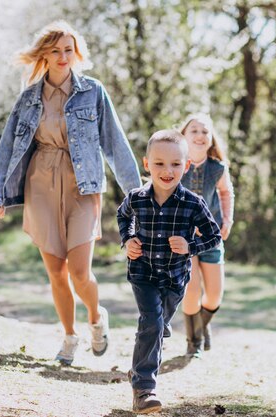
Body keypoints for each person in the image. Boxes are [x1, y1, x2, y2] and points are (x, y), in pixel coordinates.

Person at [0, 20, 141, 366]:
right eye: (55, 50)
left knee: (80, 271)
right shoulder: (28, 98)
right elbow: (8, 145)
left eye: (68, 50)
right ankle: (70, 336)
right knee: (56, 271)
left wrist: (137, 194)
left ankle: (96, 316)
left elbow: (116, 144)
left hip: (83, 184)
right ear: (44, 54)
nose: (62, 56)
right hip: (40, 182)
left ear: (77, 53)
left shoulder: (93, 92)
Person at [117, 129, 222, 414]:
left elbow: (214, 236)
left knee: (157, 327)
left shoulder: (192, 203)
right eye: (160, 163)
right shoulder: (136, 198)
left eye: (176, 164)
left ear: (186, 167)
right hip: (143, 273)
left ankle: (137, 372)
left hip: (176, 279)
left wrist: (190, 245)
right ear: (146, 164)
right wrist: (127, 240)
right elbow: (123, 216)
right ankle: (144, 389)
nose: (167, 170)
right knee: (151, 321)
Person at [179, 114, 234, 357]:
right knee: (191, 291)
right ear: (183, 136)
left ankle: (202, 325)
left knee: (213, 296)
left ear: (211, 140)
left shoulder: (217, 168)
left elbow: (226, 193)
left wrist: (227, 219)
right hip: (183, 238)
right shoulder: (176, 163)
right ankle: (194, 342)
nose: (200, 135)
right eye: (194, 131)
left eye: (205, 132)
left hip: (211, 236)